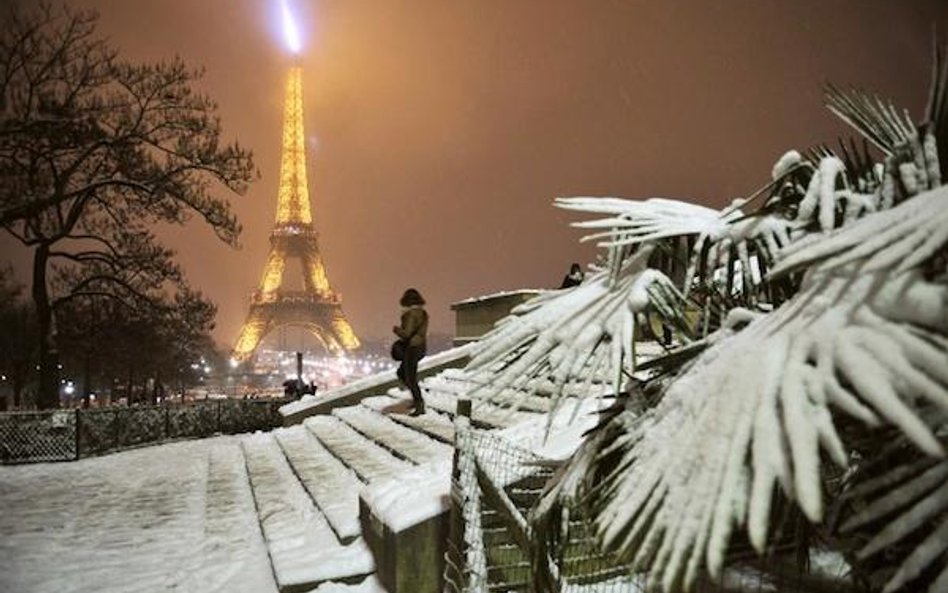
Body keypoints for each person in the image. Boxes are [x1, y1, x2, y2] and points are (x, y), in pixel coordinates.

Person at [393, 288, 428, 415]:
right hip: (420, 347)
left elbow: (407, 334)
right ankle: (416, 398)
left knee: (409, 377)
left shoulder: (411, 314)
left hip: (412, 348)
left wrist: (397, 330)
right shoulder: (423, 313)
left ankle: (419, 404)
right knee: (403, 373)